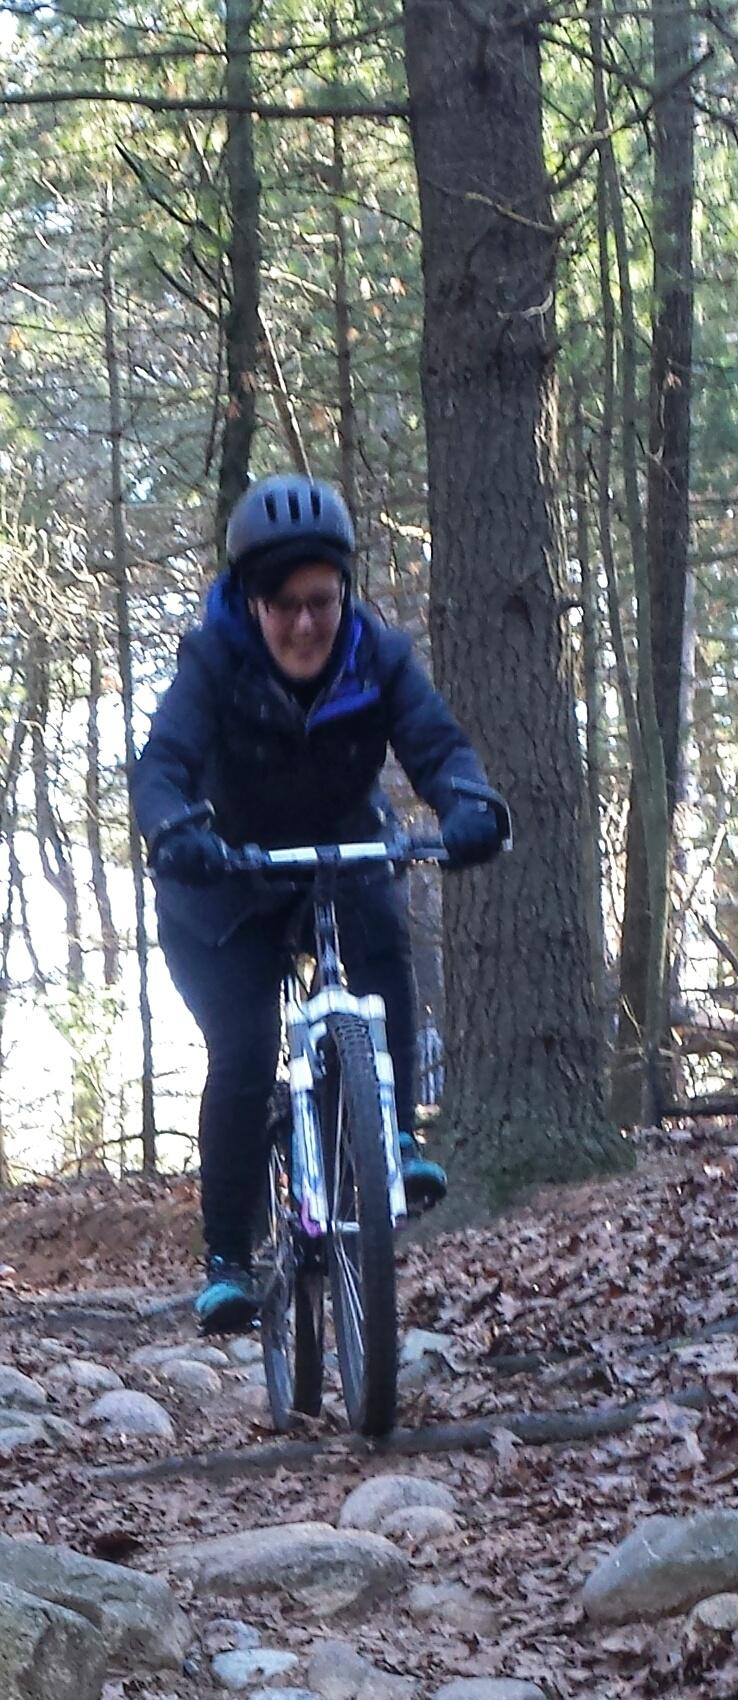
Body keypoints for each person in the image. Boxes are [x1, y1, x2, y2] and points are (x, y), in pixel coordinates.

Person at [131, 473, 507, 1335]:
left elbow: (437, 745)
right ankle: (228, 1255)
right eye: (284, 604)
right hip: (222, 881)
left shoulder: (377, 655)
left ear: (345, 594)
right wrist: (176, 828)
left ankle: (395, 1138)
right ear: (251, 602)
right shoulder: (212, 659)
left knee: (380, 933)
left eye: (323, 601)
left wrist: (469, 805)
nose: (305, 623)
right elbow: (161, 763)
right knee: (246, 1045)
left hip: (335, 854)